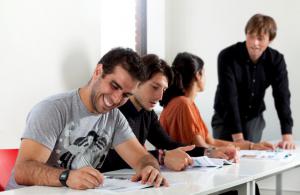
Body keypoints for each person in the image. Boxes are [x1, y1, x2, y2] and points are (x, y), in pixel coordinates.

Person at [7, 47, 168, 190]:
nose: (117, 99)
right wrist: (67, 177)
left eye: (126, 95)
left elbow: (142, 158)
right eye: (114, 86)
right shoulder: (52, 109)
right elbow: (23, 171)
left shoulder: (114, 118)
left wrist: (150, 169)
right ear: (98, 71)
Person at [100, 54, 238, 173]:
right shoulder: (114, 111)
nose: (160, 96)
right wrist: (162, 156)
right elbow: (112, 157)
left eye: (164, 90)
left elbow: (169, 144)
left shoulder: (147, 113)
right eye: (155, 87)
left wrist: (208, 152)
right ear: (137, 82)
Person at [211, 14, 295, 149]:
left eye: (260, 38)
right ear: (246, 34)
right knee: (225, 159)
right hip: (226, 116)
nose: (255, 43)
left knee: (252, 159)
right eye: (251, 36)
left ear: (270, 40)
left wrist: (287, 135)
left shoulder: (276, 60)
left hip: (253, 117)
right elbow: (230, 97)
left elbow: (282, 96)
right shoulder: (227, 56)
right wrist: (238, 139)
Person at [160, 52, 274, 150]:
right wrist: (230, 151)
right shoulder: (183, 104)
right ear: (198, 75)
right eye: (204, 73)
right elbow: (201, 147)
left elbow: (212, 142)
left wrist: (252, 146)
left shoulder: (184, 103)